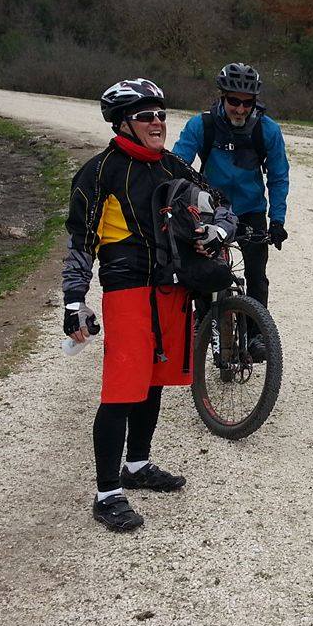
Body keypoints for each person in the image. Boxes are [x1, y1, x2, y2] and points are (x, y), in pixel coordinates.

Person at [63, 78, 237, 533]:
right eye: (146, 116)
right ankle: (106, 494)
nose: (157, 122)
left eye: (161, 114)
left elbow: (223, 205)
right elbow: (80, 243)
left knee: (154, 382)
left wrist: (218, 230)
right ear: (123, 123)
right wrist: (75, 301)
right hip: (127, 290)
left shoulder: (172, 164)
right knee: (122, 390)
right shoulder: (99, 172)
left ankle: (137, 465)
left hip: (171, 289)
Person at [173, 62, 289, 363]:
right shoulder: (202, 125)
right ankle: (204, 321)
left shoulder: (267, 130)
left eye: (247, 103)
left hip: (251, 210)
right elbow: (176, 167)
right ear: (222, 97)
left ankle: (256, 335)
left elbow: (278, 177)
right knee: (202, 271)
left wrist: (277, 220)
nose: (240, 109)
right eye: (234, 101)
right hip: (211, 210)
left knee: (256, 275)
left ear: (255, 102)